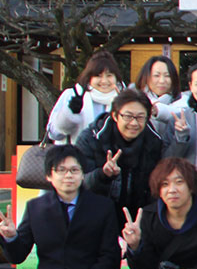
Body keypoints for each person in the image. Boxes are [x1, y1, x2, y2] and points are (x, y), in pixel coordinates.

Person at [77, 88, 174, 219]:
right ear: (115, 115)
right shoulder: (92, 138)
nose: (134, 123)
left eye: (140, 117)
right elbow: (78, 182)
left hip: (138, 217)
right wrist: (102, 174)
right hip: (97, 215)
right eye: (128, 116)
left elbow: (154, 188)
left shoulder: (153, 141)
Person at [47, 51, 124, 144]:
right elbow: (54, 134)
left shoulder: (125, 99)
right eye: (98, 76)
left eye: (109, 76)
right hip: (76, 156)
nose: (104, 81)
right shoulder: (73, 95)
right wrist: (69, 114)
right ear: (89, 77)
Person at [137, 55, 182, 122]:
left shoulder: (182, 100)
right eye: (156, 75)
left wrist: (157, 110)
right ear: (146, 77)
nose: (162, 81)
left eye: (167, 76)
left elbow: (182, 114)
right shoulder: (136, 100)